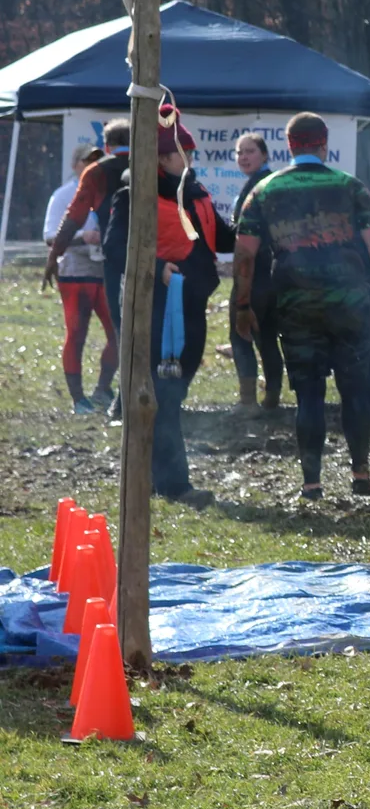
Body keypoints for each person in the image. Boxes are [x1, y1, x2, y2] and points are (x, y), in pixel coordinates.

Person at [234, 114, 370, 500]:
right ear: (323, 144)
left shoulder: (264, 190)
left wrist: (242, 304)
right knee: (356, 391)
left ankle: (312, 484)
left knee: (308, 395)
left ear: (289, 145)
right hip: (350, 303)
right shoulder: (349, 186)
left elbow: (244, 253)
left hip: (295, 305)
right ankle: (361, 475)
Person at [107, 106, 228, 509]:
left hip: (192, 310)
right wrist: (157, 267)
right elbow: (113, 251)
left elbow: (223, 236)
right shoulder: (132, 197)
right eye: (182, 153)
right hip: (156, 315)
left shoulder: (194, 194)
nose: (189, 159)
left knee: (171, 399)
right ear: (161, 159)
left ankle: (161, 476)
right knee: (164, 400)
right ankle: (173, 484)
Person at [43, 145, 116, 413]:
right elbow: (50, 237)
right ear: (75, 164)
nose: (93, 166)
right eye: (88, 161)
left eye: (98, 160)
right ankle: (78, 399)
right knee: (77, 335)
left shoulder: (107, 191)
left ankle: (102, 389)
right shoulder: (63, 195)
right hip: (75, 271)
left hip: (105, 271)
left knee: (118, 334)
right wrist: (81, 237)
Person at [229, 131, 284, 410]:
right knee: (269, 337)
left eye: (249, 151)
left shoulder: (257, 186)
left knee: (240, 334)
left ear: (264, 155)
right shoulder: (271, 183)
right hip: (275, 274)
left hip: (255, 272)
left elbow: (244, 236)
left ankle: (248, 400)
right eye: (239, 152)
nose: (243, 157)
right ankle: (272, 395)